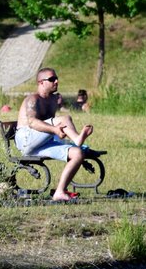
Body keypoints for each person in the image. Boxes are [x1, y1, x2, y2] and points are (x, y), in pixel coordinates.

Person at [15, 68, 96, 201]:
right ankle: (77, 139)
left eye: (56, 78)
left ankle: (60, 191)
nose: (56, 81)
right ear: (41, 82)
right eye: (52, 79)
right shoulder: (32, 99)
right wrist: (55, 130)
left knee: (77, 153)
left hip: (42, 143)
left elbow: (51, 126)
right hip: (26, 140)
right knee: (64, 118)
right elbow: (32, 122)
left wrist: (59, 135)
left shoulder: (53, 100)